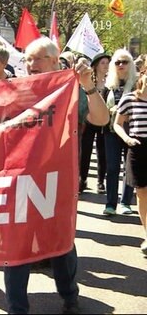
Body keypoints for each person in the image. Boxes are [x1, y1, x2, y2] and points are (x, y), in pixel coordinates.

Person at [3, 37, 109, 314]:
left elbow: (101, 119)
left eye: (37, 58)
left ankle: (69, 296)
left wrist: (87, 86)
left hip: (57, 181)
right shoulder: (15, 90)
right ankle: (17, 308)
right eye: (27, 59)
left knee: (60, 243)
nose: (30, 64)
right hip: (20, 179)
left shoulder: (70, 89)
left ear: (54, 60)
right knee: (17, 246)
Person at [113, 71, 147, 255]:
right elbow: (117, 123)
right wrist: (127, 139)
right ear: (143, 73)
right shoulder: (129, 99)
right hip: (137, 147)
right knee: (141, 193)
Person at [103, 49, 137, 216]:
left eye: (125, 62)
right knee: (112, 167)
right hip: (111, 131)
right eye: (117, 62)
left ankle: (125, 202)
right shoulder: (108, 86)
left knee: (129, 167)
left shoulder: (138, 84)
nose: (121, 65)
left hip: (132, 131)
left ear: (131, 64)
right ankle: (110, 204)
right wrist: (111, 111)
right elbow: (100, 109)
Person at [80, 52, 110, 194]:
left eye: (107, 63)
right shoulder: (87, 80)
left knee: (102, 151)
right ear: (96, 66)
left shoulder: (111, 82)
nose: (106, 65)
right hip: (88, 121)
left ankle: (100, 181)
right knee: (85, 151)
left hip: (104, 121)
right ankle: (82, 179)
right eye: (103, 63)